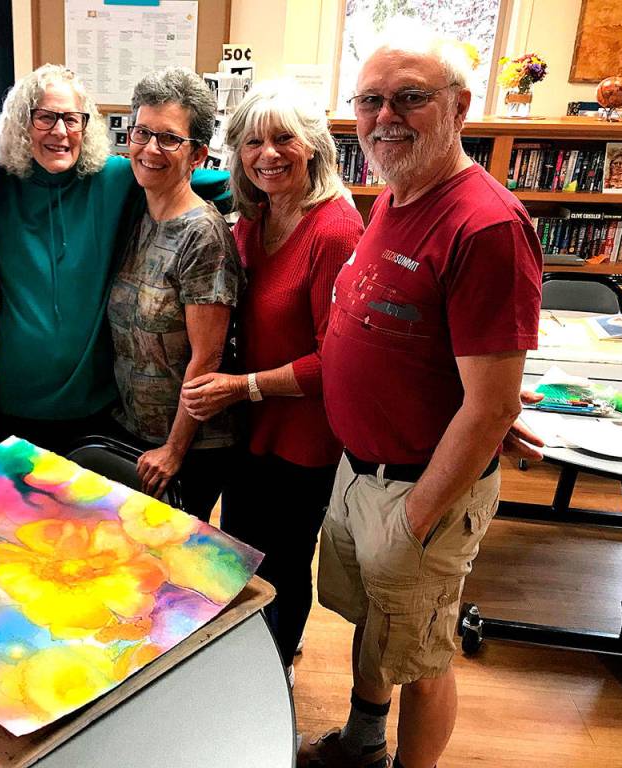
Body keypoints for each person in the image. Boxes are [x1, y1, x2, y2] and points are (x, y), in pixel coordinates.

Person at [300, 34, 543, 768]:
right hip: (362, 471)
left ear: (459, 107)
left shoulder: (487, 224)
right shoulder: (397, 193)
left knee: (424, 653)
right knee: (381, 625)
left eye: (410, 96)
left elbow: (491, 407)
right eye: (370, 100)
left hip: (418, 491)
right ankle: (364, 742)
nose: (385, 116)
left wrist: (418, 514)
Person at [0, 64, 229, 454]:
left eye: (71, 118)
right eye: (45, 117)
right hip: (14, 399)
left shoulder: (115, 177)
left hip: (97, 405)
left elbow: (203, 181)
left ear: (86, 125)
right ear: (23, 124)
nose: (60, 131)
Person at [180, 80, 363, 672]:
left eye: (284, 138)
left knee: (282, 562)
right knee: (240, 551)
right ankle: (245, 660)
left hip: (301, 430)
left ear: (313, 145)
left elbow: (336, 360)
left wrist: (242, 386)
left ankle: (275, 671)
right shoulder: (254, 215)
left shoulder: (333, 229)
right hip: (250, 424)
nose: (268, 154)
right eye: (252, 142)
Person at [106, 67, 243, 520]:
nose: (149, 149)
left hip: (187, 447)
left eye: (169, 139)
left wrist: (174, 449)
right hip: (133, 430)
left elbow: (206, 360)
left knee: (168, 577)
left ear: (198, 154)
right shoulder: (135, 212)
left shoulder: (203, 236)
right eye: (143, 132)